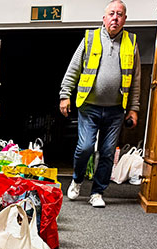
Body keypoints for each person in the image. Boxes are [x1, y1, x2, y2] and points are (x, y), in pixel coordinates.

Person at [59, 0, 141, 207]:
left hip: (115, 110)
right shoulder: (90, 38)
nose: (115, 17)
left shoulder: (131, 43)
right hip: (89, 106)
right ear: (104, 18)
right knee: (85, 147)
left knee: (106, 153)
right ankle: (77, 180)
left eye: (119, 14)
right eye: (111, 13)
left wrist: (134, 108)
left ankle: (97, 192)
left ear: (124, 19)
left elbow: (136, 80)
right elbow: (73, 69)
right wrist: (64, 95)